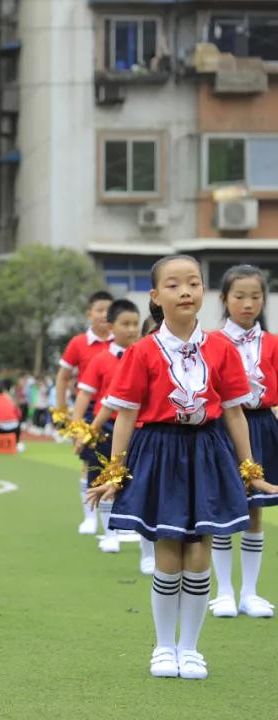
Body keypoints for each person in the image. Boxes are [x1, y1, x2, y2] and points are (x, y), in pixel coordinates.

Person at [88, 255, 278, 680]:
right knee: (168, 552)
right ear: (155, 297)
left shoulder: (221, 348)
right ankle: (163, 647)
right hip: (159, 453)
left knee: (199, 552)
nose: (186, 291)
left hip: (209, 453)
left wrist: (249, 469)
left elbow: (234, 413)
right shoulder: (141, 352)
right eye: (173, 285)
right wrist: (114, 473)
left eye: (193, 283)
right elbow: (126, 415)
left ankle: (190, 648)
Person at [207, 265, 278, 619]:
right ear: (223, 299)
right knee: (224, 507)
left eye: (255, 296)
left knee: (254, 510)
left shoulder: (273, 343)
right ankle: (224, 591)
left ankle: (250, 592)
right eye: (239, 296)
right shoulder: (210, 341)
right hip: (223, 427)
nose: (248, 303)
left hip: (262, 425)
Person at [68, 299, 152, 568]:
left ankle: (147, 548)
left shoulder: (145, 354)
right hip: (105, 428)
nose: (131, 329)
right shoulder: (100, 360)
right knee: (102, 479)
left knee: (141, 484)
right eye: (125, 324)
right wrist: (78, 429)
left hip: (140, 428)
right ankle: (110, 533)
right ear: (111, 326)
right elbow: (86, 395)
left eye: (135, 324)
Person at [56, 291, 114, 535]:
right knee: (89, 464)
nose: (103, 315)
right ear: (89, 313)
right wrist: (61, 412)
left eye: (108, 310)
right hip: (89, 409)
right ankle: (89, 517)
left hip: (120, 409)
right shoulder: (78, 343)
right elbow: (63, 377)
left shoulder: (122, 341)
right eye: (99, 309)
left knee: (118, 464)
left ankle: (115, 521)